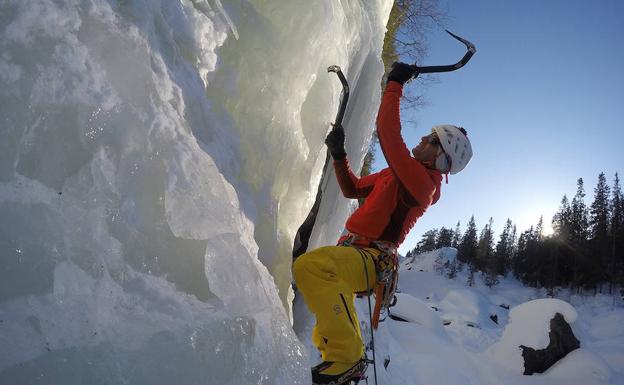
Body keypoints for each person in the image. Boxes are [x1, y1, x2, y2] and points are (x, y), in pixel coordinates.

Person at [292, 62, 473, 385]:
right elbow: (352, 189)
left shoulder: (423, 184)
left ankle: (348, 359)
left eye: (432, 139)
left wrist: (395, 84)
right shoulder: (394, 176)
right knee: (327, 326)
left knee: (311, 267)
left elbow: (389, 134)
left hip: (371, 260)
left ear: (440, 158)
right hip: (353, 255)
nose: (423, 137)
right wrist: (338, 154)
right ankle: (339, 366)